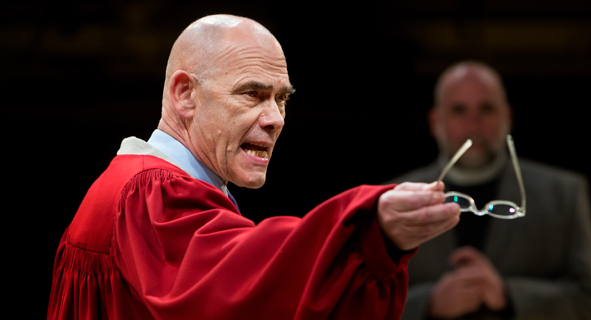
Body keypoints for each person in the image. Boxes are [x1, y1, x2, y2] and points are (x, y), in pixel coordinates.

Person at [46, 14, 461, 320]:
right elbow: (243, 284)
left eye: (281, 99)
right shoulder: (150, 195)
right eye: (253, 94)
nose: (276, 118)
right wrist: (366, 231)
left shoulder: (133, 186)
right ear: (185, 95)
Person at [387, 61, 591, 320]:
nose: (473, 124)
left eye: (486, 109)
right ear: (435, 121)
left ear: (507, 116)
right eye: (459, 110)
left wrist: (509, 295)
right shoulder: (393, 200)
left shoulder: (564, 194)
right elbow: (360, 302)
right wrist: (428, 303)